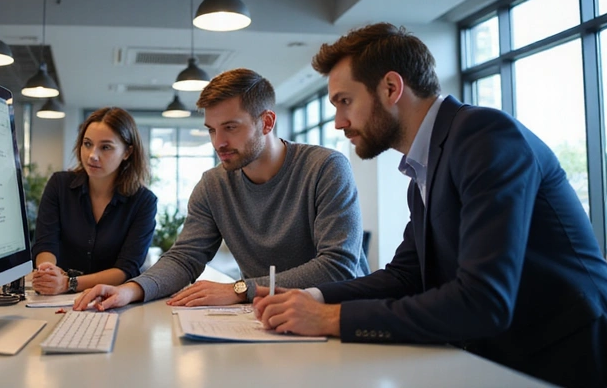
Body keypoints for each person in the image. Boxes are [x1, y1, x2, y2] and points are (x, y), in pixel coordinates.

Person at [253, 23, 607, 388]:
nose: (340, 121)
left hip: (562, 358)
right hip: (504, 356)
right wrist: (310, 296)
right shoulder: (427, 166)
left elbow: (484, 300)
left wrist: (330, 318)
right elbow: (405, 277)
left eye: (345, 101)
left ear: (391, 88)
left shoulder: (484, 137)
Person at [73, 68, 369, 311]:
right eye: (212, 129)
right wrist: (131, 290)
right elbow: (184, 258)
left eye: (231, 127)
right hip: (271, 318)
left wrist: (241, 289)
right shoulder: (213, 185)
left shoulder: (326, 168)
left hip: (337, 316)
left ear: (266, 122)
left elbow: (338, 267)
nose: (218, 142)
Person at [31, 107, 157, 295]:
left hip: (110, 300)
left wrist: (68, 283)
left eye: (105, 147)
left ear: (127, 152)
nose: (92, 155)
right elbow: (45, 243)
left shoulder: (143, 202)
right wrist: (48, 271)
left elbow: (126, 268)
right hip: (55, 298)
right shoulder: (59, 185)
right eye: (87, 144)